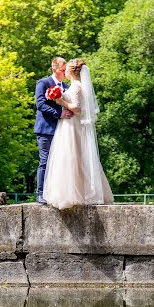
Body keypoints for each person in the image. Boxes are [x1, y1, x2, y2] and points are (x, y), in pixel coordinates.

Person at [43, 59, 114, 210]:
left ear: (72, 71)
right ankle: (80, 192)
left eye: (66, 69)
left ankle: (74, 194)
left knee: (72, 157)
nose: (64, 71)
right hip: (70, 125)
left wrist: (61, 102)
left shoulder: (76, 87)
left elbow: (77, 108)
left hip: (72, 125)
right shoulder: (77, 86)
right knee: (74, 157)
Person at [34, 57, 72, 204]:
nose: (65, 73)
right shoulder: (43, 83)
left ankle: (56, 193)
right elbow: (41, 105)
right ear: (54, 69)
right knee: (45, 161)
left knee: (60, 162)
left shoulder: (67, 87)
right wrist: (59, 114)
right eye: (63, 70)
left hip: (63, 131)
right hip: (45, 129)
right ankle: (40, 194)